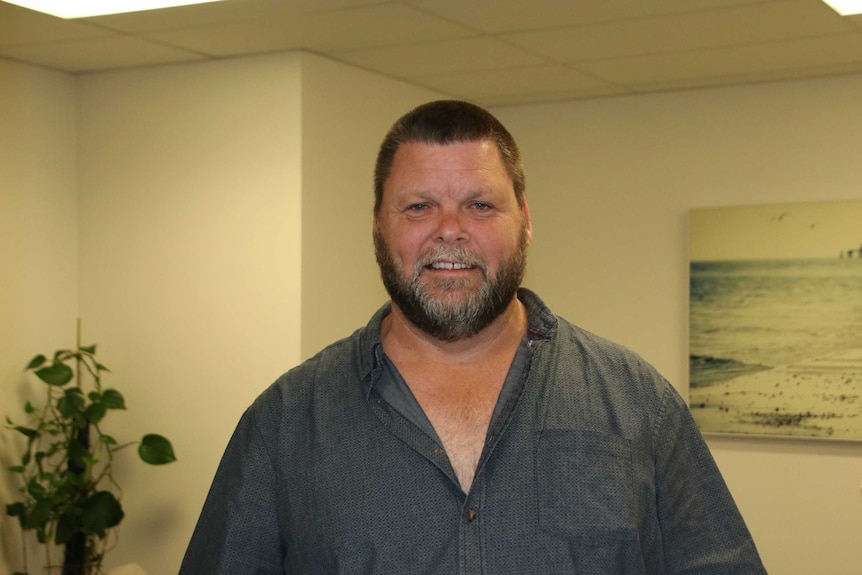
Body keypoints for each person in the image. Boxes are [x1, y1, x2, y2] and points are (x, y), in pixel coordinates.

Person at [180, 100, 766, 574]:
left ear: (527, 221)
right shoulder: (284, 423)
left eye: (480, 205)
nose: (450, 231)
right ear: (379, 226)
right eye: (418, 207)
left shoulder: (636, 402)